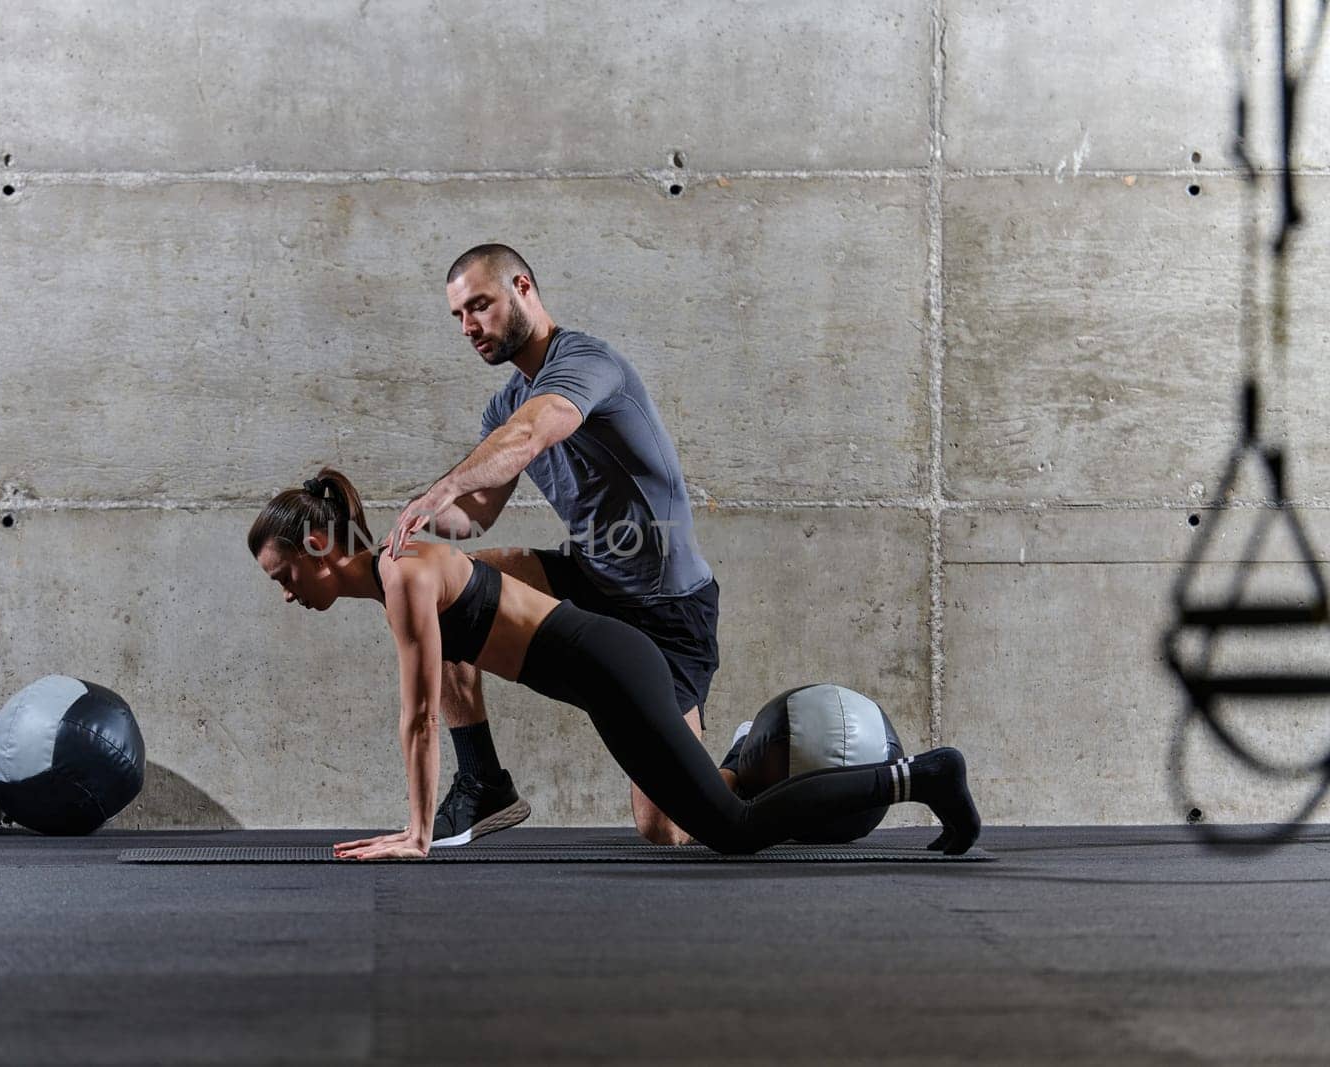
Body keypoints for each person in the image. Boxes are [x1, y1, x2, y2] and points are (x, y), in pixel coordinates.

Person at [248, 469, 981, 861]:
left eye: (283, 574)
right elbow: (451, 686)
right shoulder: (398, 576)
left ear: (318, 544)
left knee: (733, 827)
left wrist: (414, 832)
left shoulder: (403, 571)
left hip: (614, 666)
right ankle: (922, 777)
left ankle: (925, 774)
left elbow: (415, 717)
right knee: (724, 826)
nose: (285, 595)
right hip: (607, 677)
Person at [386, 244, 723, 847]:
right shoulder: (504, 404)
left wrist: (446, 485)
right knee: (438, 588)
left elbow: (533, 432)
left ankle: (752, 760)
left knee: (665, 827)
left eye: (480, 306)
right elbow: (475, 518)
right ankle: (484, 783)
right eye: (459, 315)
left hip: (667, 608)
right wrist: (394, 529)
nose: (469, 327)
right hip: (591, 578)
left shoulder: (586, 363)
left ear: (523, 287)